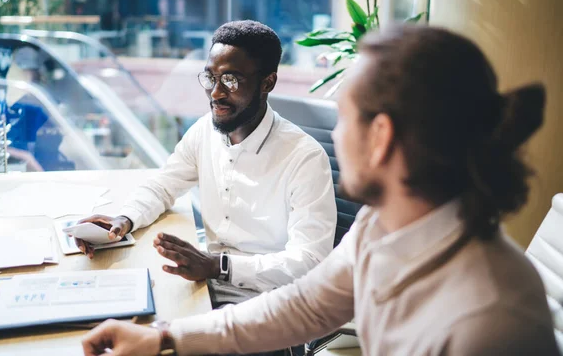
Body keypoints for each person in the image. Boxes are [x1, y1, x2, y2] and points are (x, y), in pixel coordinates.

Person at [81, 25, 560, 356]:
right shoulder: (384, 224)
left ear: (382, 137)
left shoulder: (490, 319)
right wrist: (165, 337)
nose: (334, 135)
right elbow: (306, 304)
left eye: (345, 116)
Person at [74, 20, 337, 306]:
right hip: (205, 287)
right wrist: (123, 220)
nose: (215, 93)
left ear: (267, 83)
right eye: (211, 78)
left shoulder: (304, 158)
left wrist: (218, 266)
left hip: (267, 303)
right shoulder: (204, 131)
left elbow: (309, 261)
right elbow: (164, 185)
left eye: (231, 80)